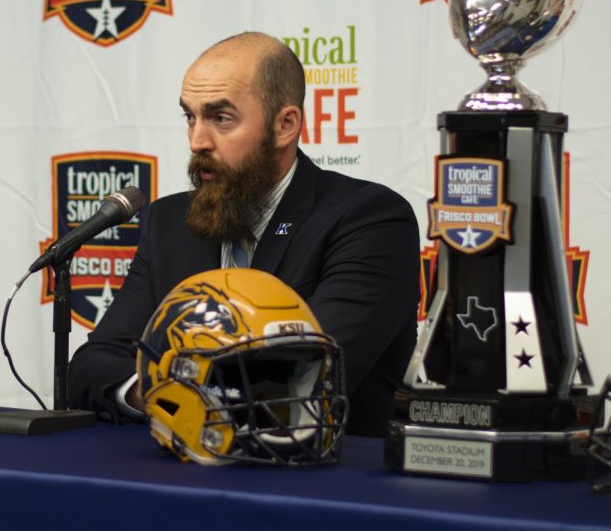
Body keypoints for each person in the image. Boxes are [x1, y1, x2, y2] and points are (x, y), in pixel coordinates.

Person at [68, 31, 420, 437]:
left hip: (322, 482)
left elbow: (302, 378)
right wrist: (161, 394)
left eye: (221, 118)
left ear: (285, 125)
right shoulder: (168, 223)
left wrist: (174, 386)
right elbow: (94, 367)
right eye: (190, 116)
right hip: (181, 472)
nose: (198, 140)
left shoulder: (368, 219)